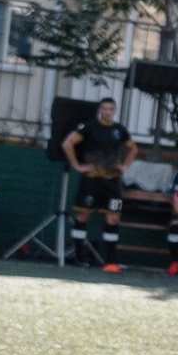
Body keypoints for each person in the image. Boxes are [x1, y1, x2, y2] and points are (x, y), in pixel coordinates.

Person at [62, 98, 137, 272]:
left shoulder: (120, 130)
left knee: (113, 218)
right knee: (82, 215)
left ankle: (110, 261)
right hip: (91, 179)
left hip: (112, 181)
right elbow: (67, 143)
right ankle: (81, 256)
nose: (107, 112)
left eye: (111, 109)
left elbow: (133, 149)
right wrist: (77, 166)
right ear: (100, 110)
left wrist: (125, 165)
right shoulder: (89, 127)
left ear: (115, 111)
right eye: (104, 108)